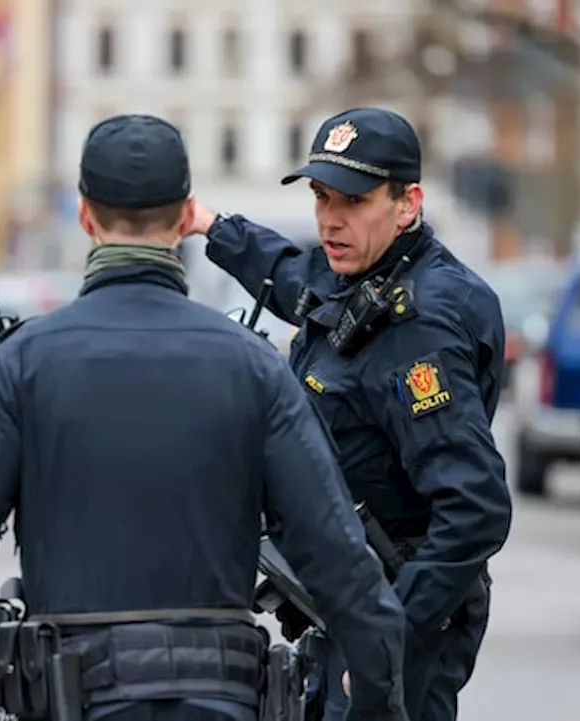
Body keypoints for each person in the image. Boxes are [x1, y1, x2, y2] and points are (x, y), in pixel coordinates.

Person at [0, 114, 410, 721]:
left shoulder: (23, 367)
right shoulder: (255, 369)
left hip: (69, 699)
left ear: (85, 216)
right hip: (223, 702)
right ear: (187, 218)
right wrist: (378, 700)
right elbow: (337, 554)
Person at [190, 107, 513, 721]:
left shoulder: (420, 329)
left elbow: (476, 509)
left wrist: (384, 638)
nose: (331, 219)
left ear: (406, 203)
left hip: (403, 617)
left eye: (354, 201)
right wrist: (208, 224)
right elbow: (290, 275)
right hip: (349, 606)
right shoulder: (365, 270)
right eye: (321, 197)